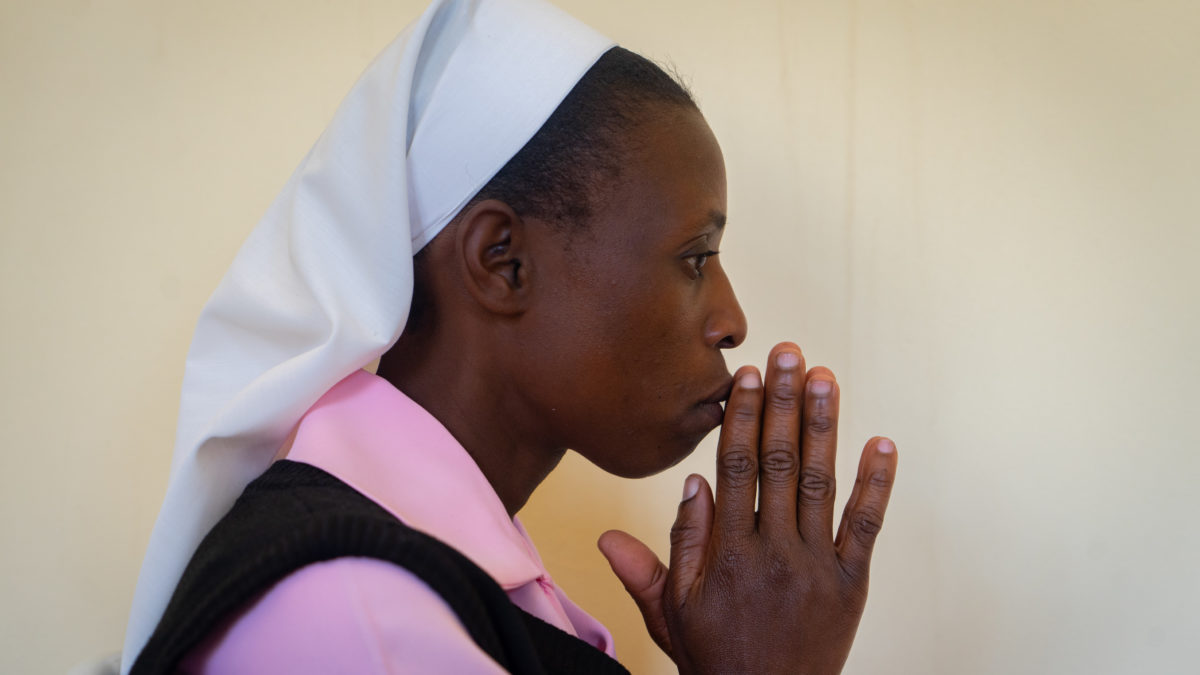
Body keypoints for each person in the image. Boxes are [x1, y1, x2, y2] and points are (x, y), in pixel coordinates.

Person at [122, 0, 899, 672]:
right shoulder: (353, 611)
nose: (732, 320)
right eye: (695, 256)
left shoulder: (457, 579)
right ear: (503, 263)